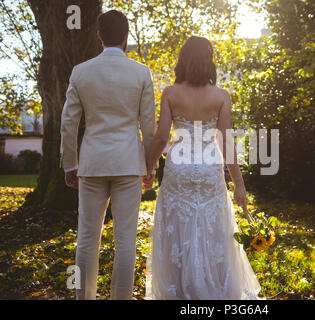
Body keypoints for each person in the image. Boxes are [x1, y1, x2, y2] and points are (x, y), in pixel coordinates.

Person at [144, 36, 262, 299]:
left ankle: (180, 290)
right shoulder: (221, 96)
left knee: (178, 227)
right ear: (209, 62)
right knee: (213, 229)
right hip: (210, 169)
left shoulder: (171, 93)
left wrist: (149, 169)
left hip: (179, 169)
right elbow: (226, 140)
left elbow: (162, 137)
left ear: (182, 61)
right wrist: (239, 184)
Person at [60, 10, 156, 300]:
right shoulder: (141, 72)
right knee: (126, 241)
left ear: (99, 35)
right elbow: (149, 127)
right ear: (126, 36)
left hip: (92, 164)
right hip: (129, 164)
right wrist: (150, 168)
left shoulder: (81, 71)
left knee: (87, 238)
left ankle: (83, 297)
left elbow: (68, 123)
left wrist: (70, 164)